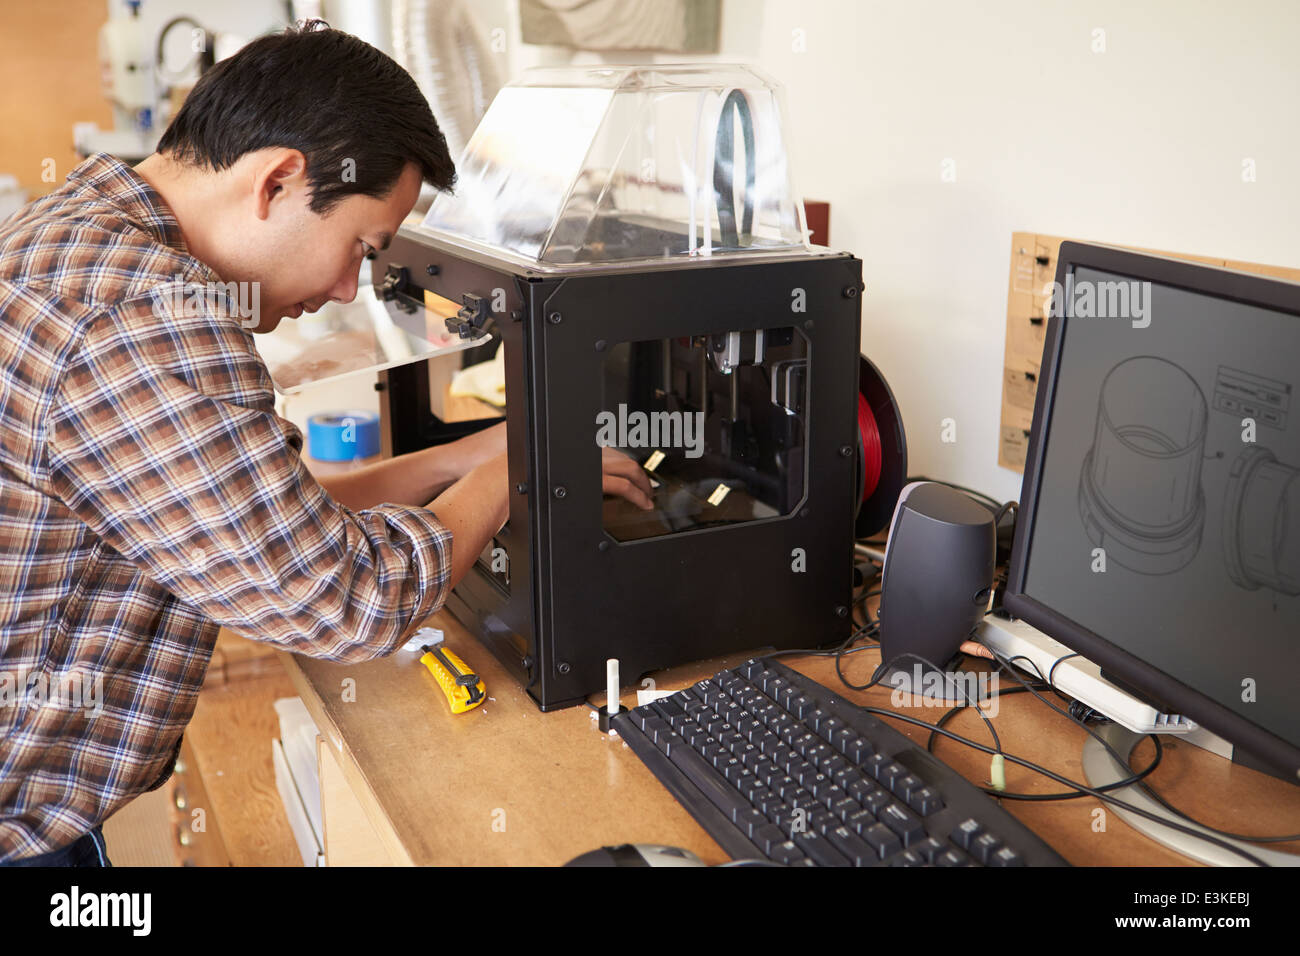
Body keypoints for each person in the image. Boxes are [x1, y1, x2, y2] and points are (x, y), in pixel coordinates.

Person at [0, 21, 652, 865]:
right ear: (278, 180)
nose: (348, 286)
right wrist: (528, 471)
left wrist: (466, 457)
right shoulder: (149, 319)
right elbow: (350, 597)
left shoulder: (88, 231)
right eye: (361, 248)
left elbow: (266, 519)